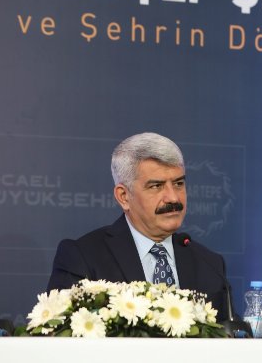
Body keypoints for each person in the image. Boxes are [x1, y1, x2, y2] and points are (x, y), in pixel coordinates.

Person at [47, 132, 232, 320]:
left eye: (178, 183)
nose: (173, 198)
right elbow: (61, 331)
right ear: (124, 197)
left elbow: (230, 331)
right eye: (156, 186)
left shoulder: (210, 264)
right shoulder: (83, 258)